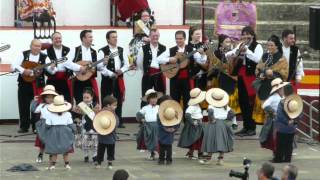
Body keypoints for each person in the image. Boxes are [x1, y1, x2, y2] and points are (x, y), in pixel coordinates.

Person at [226, 26, 263, 136]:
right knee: (242, 102)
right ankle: (246, 127)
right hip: (241, 76)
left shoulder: (258, 46)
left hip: (251, 77)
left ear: (252, 35)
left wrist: (247, 51)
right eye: (243, 34)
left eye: (248, 34)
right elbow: (233, 52)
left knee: (249, 102)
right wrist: (228, 54)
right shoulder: (241, 44)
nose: (245, 36)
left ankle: (251, 128)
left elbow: (258, 59)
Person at [11, 39, 52, 133]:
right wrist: (23, 70)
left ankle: (36, 127)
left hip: (38, 85)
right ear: (30, 46)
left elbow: (51, 71)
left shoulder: (44, 57)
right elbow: (13, 66)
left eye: (39, 46)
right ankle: (24, 127)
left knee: (37, 106)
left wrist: (52, 67)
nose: (37, 48)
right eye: (35, 46)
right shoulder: (23, 54)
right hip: (24, 84)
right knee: (23, 105)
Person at [98, 30, 130, 128]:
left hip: (119, 77)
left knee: (118, 99)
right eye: (113, 37)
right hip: (107, 78)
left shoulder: (121, 49)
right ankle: (105, 120)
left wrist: (122, 70)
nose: (115, 39)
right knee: (106, 99)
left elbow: (127, 64)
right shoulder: (102, 51)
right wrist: (110, 73)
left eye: (116, 37)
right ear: (108, 39)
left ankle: (118, 120)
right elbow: (99, 67)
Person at [199, 88, 235, 165]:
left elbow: (210, 113)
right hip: (223, 124)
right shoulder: (226, 106)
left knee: (210, 140)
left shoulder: (211, 106)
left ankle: (208, 159)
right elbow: (232, 113)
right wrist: (227, 120)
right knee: (222, 141)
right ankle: (220, 160)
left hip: (213, 124)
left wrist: (212, 120)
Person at [136, 28, 167, 107]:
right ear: (149, 36)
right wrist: (145, 71)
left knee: (160, 96)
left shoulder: (164, 48)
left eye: (157, 35)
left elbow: (165, 62)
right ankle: (144, 117)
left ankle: (160, 116)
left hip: (159, 75)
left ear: (159, 36)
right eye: (153, 36)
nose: (155, 37)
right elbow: (139, 62)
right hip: (147, 74)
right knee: (146, 96)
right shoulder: (143, 48)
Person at [43, 95, 75, 170]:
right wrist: (75, 130)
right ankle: (66, 164)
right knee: (66, 150)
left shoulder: (49, 114)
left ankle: (53, 165)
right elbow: (71, 124)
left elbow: (47, 125)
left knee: (54, 150)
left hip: (53, 133)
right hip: (65, 133)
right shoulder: (68, 114)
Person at [45, 32, 79, 103]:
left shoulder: (68, 50)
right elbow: (47, 67)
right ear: (52, 40)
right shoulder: (47, 51)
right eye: (56, 38)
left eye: (59, 38)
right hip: (52, 80)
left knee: (67, 101)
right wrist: (51, 68)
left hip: (65, 80)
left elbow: (72, 64)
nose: (58, 40)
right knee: (51, 102)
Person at [67, 29, 99, 104]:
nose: (92, 39)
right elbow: (66, 62)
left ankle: (89, 116)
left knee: (91, 103)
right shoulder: (75, 50)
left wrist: (102, 64)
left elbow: (95, 67)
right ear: (83, 38)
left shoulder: (93, 51)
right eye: (90, 37)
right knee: (79, 102)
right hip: (78, 81)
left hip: (90, 81)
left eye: (92, 37)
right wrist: (79, 68)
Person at [259, 78, 289, 152]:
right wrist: (273, 112)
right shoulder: (273, 97)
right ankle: (276, 153)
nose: (283, 90)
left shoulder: (283, 97)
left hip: (282, 120)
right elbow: (264, 105)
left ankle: (282, 151)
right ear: (278, 89)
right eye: (282, 88)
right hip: (275, 121)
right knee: (275, 138)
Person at [273, 94, 302, 163]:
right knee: (289, 144)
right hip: (292, 128)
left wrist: (287, 121)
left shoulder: (281, 104)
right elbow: (300, 115)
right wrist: (294, 121)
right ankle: (287, 159)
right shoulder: (296, 105)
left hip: (282, 128)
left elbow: (279, 115)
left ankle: (278, 159)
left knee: (280, 144)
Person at [73, 88, 100, 163]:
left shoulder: (96, 105)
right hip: (85, 126)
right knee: (85, 142)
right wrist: (77, 119)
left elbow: (98, 114)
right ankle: (86, 155)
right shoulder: (81, 105)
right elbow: (75, 113)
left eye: (87, 97)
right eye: (84, 97)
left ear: (92, 97)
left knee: (95, 142)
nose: (86, 99)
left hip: (94, 126)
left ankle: (95, 155)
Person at [178, 88, 205, 159]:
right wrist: (193, 122)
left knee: (199, 139)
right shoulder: (192, 106)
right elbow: (187, 114)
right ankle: (191, 153)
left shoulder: (197, 105)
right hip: (194, 125)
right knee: (194, 139)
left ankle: (198, 153)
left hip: (199, 124)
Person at [34, 85, 58, 163]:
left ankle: (51, 156)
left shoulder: (57, 106)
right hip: (43, 125)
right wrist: (34, 102)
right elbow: (34, 110)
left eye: (52, 97)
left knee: (51, 142)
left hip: (53, 125)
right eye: (48, 97)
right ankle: (40, 154)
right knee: (42, 142)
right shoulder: (41, 105)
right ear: (44, 97)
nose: (50, 99)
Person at [136, 89, 161, 160]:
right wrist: (141, 119)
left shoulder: (159, 107)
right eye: (152, 98)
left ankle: (161, 154)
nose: (154, 100)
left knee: (157, 140)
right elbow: (138, 114)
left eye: (155, 98)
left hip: (157, 126)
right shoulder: (145, 108)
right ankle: (152, 154)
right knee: (150, 141)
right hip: (148, 127)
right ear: (148, 99)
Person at [94, 95, 119, 169]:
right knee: (108, 150)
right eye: (114, 105)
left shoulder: (108, 112)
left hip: (104, 135)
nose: (116, 107)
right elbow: (116, 122)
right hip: (107, 135)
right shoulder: (105, 112)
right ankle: (109, 163)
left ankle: (100, 163)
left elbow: (97, 122)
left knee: (101, 150)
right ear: (108, 105)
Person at [157, 96, 182, 165]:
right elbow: (159, 123)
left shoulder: (174, 111)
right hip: (162, 132)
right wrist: (165, 128)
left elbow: (178, 120)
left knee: (168, 146)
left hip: (170, 131)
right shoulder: (159, 113)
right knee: (162, 146)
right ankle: (161, 159)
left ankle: (168, 159)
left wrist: (174, 128)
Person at [186, 26, 208, 90]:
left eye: (200, 34)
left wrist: (203, 53)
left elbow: (207, 61)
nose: (199, 36)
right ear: (191, 35)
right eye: (197, 34)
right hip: (190, 74)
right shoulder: (186, 46)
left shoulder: (204, 46)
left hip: (202, 74)